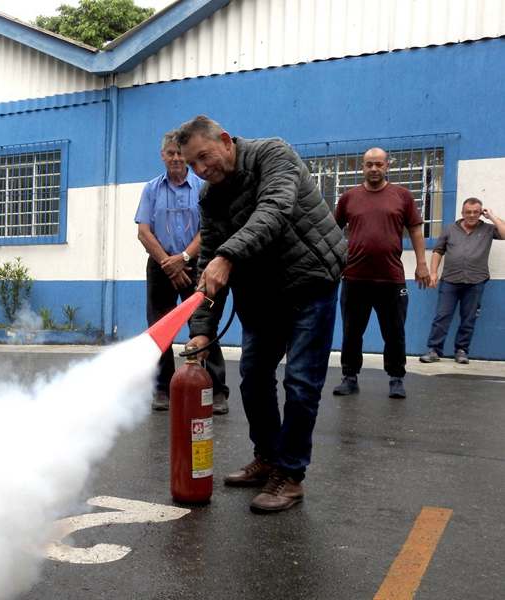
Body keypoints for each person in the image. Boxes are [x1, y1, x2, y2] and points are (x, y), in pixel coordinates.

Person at [177, 115, 345, 514]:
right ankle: (268, 457)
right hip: (264, 294)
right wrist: (201, 331)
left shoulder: (273, 154)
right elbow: (208, 269)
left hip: (311, 280)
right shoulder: (210, 196)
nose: (201, 170)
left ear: (225, 139)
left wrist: (226, 257)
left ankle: (290, 475)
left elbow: (274, 210)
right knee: (253, 376)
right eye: (192, 165)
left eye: (204, 157)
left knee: (301, 380)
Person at [135, 130, 230, 413]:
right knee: (159, 327)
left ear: (186, 157)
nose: (176, 158)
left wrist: (185, 257)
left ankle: (217, 391)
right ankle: (162, 389)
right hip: (160, 265)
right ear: (163, 156)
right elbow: (143, 232)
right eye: (171, 153)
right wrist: (168, 262)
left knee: (204, 324)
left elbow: (209, 228)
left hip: (195, 263)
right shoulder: (151, 189)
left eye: (180, 154)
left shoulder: (203, 186)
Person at [332, 148, 430, 399]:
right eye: (368, 165)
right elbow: (332, 232)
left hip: (391, 279)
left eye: (378, 164)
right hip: (354, 278)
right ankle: (349, 376)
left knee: (394, 332)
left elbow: (416, 231)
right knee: (352, 332)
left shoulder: (403, 196)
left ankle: (396, 378)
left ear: (387, 166)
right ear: (362, 168)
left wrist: (422, 264)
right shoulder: (348, 198)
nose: (373, 169)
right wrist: (335, 263)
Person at [420, 198, 504, 364]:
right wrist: (434, 273)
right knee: (442, 316)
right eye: (468, 212)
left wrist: (492, 217)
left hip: (476, 281)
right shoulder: (449, 229)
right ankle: (434, 350)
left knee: (469, 318)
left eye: (475, 212)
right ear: (462, 213)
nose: (471, 215)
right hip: (450, 280)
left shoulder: (488, 229)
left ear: (481, 213)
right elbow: (438, 251)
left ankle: (462, 351)